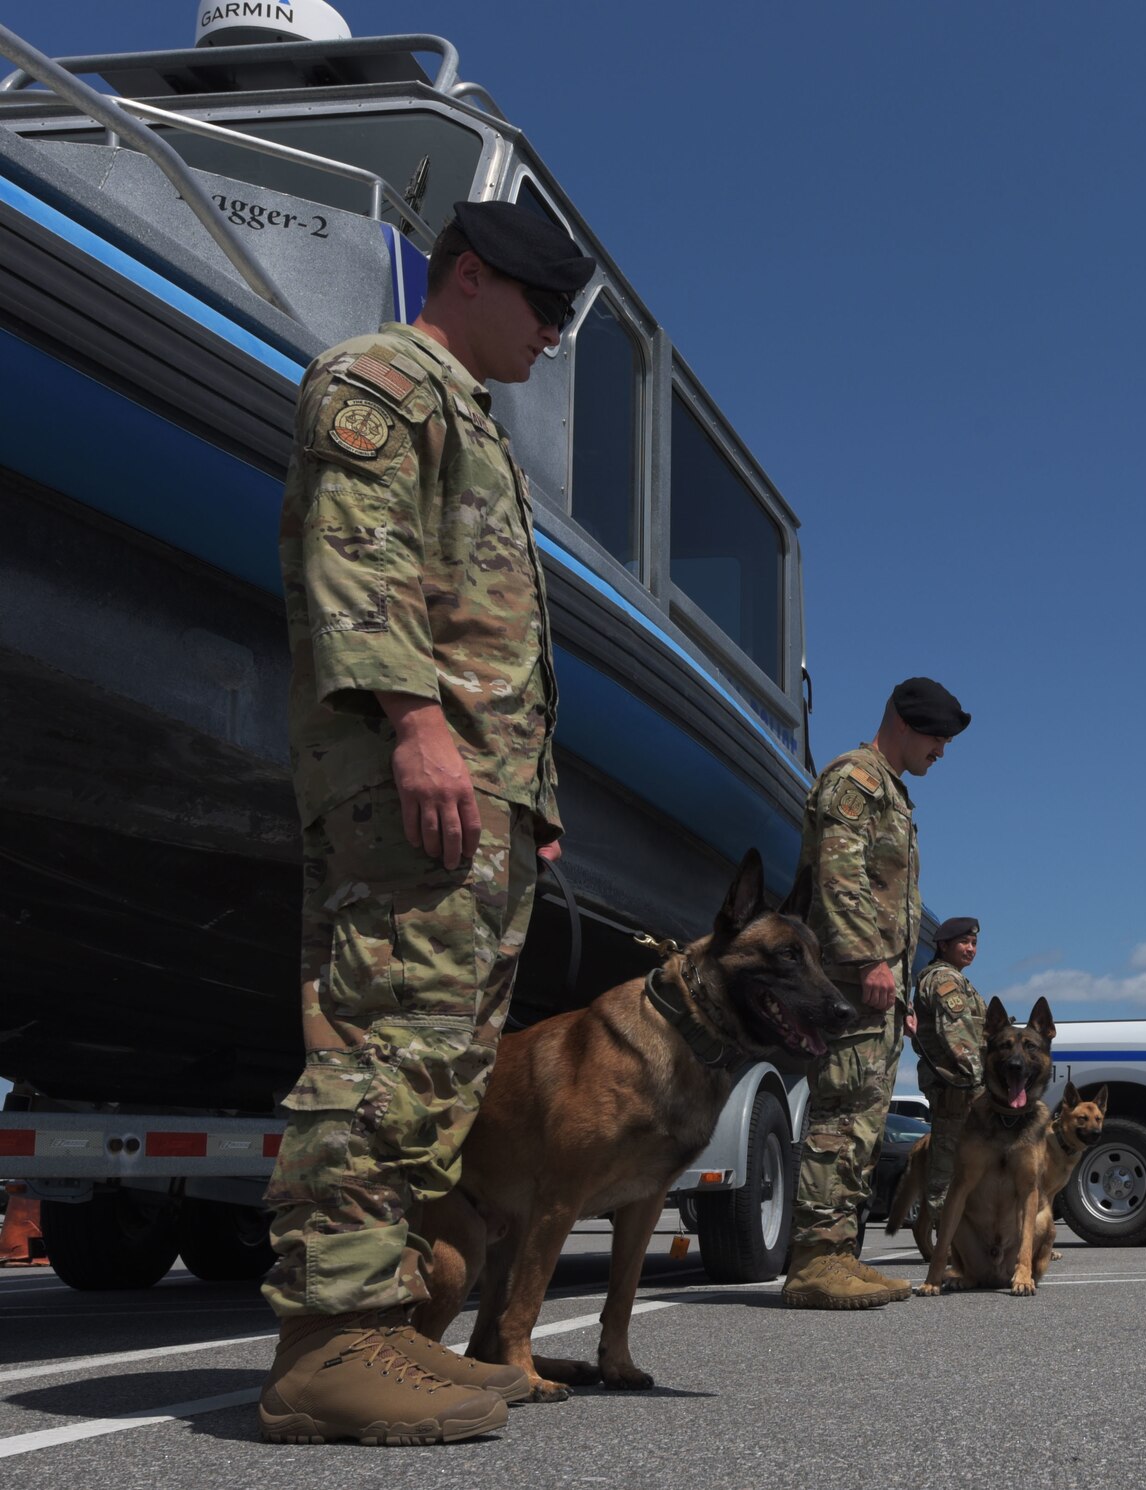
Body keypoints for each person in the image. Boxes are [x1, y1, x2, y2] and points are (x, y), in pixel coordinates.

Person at [259, 201, 594, 1445]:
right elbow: (363, 557)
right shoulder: (384, 379)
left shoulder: (468, 418)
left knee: (441, 1060)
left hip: (480, 797)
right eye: (542, 308)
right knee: (386, 1045)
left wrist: (531, 805)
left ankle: (383, 1313)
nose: (552, 335)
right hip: (414, 779)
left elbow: (486, 627)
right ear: (467, 275)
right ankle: (322, 1343)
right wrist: (414, 724)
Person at [782, 677, 969, 1309]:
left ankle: (840, 1254)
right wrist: (867, 959)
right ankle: (813, 1262)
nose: (941, 752)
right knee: (839, 1118)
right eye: (937, 738)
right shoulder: (855, 781)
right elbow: (840, 877)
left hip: (877, 991)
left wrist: (902, 990)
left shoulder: (893, 793)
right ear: (905, 724)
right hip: (846, 981)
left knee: (864, 1121)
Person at [909, 915, 985, 1253]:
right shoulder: (944, 981)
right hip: (957, 1087)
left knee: (961, 1162)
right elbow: (959, 1040)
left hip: (959, 1086)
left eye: (974, 944)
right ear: (943, 945)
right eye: (963, 943)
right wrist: (983, 1082)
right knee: (947, 1165)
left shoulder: (955, 979)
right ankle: (948, 1245)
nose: (970, 949)